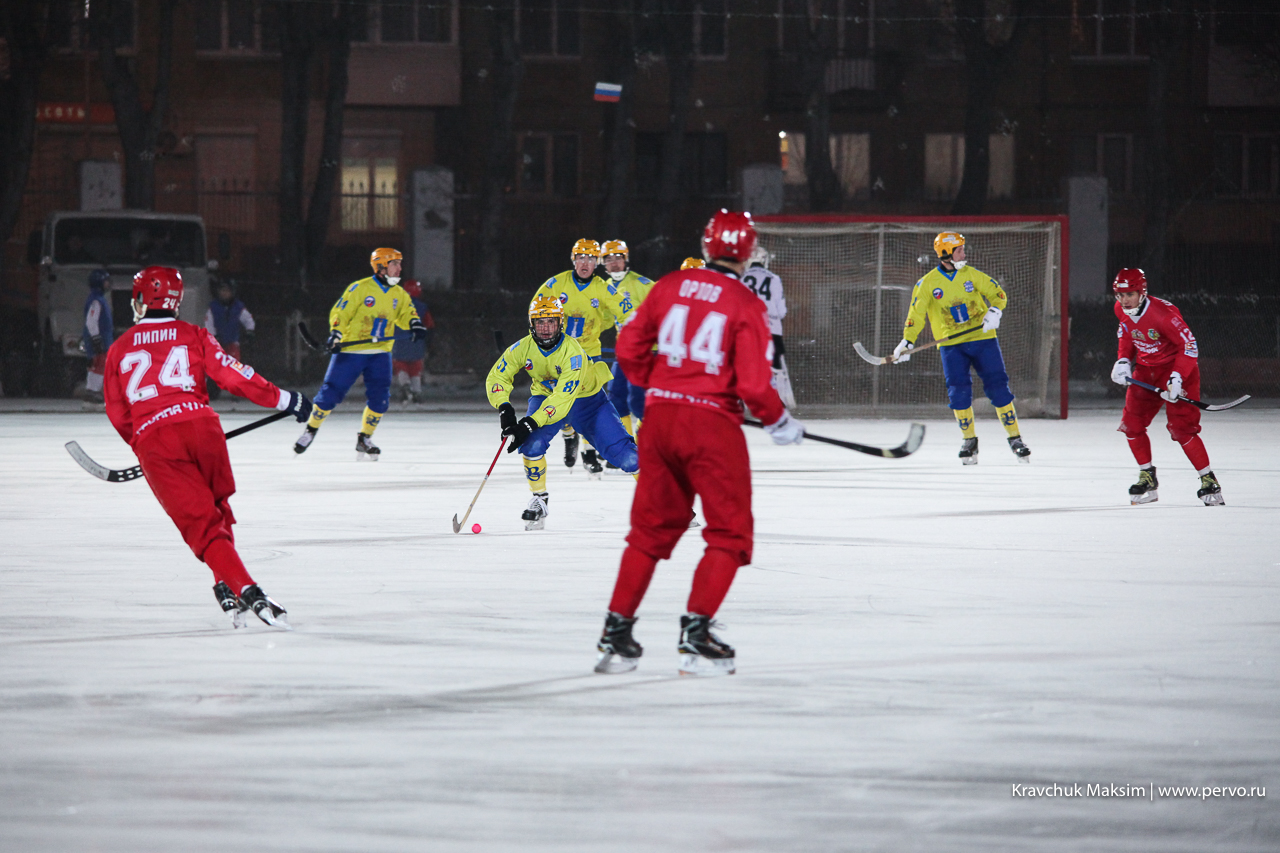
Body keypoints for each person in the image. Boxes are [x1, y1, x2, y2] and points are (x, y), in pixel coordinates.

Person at [593, 209, 805, 677]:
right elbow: (753, 386)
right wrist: (779, 421)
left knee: (649, 533)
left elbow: (627, 349)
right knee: (729, 533)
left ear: (707, 247)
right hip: (711, 427)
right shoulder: (746, 303)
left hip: (660, 421)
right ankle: (696, 634)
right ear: (748, 253)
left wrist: (663, 386)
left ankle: (616, 633)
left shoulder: (667, 287)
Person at [102, 266, 312, 628]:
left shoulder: (119, 348)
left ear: (139, 300)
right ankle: (224, 583)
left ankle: (249, 592)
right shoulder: (194, 334)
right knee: (218, 508)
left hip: (156, 437)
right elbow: (233, 375)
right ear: (176, 301)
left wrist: (144, 449)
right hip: (203, 427)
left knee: (204, 528)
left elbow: (118, 413)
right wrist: (285, 399)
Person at [486, 294, 639, 530]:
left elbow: (562, 399)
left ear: (561, 324)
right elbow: (498, 375)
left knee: (628, 458)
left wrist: (528, 423)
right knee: (531, 445)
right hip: (545, 398)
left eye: (551, 322)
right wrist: (504, 408)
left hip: (587, 403)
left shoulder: (573, 352)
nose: (545, 329)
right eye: (540, 322)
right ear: (531, 324)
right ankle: (539, 499)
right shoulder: (522, 347)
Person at [892, 231, 1030, 465]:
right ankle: (969, 441)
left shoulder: (971, 274)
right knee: (959, 392)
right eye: (959, 250)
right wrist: (907, 340)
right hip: (952, 346)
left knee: (998, 387)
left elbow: (998, 294)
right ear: (945, 253)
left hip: (983, 340)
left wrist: (995, 311)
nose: (964, 254)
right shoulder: (927, 284)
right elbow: (916, 314)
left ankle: (1015, 438)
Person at [294, 248, 426, 460]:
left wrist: (415, 324)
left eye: (400, 264)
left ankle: (364, 438)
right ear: (381, 267)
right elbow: (341, 312)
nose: (399, 268)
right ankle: (311, 430)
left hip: (380, 353)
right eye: (395, 264)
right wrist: (336, 334)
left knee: (380, 399)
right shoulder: (360, 288)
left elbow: (406, 313)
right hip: (352, 350)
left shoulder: (399, 294)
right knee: (330, 393)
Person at [1109, 268, 1223, 506]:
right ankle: (1147, 476)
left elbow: (1189, 347)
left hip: (1176, 371)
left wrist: (1177, 377)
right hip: (1145, 372)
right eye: (1119, 294)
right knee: (1131, 424)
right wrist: (1122, 359)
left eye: (1129, 293)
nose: (1124, 300)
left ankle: (1208, 480)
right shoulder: (1120, 309)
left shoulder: (1164, 315)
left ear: (1142, 291)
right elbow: (1127, 335)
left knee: (1182, 429)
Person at [532, 239, 635, 476]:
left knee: (590, 403)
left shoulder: (602, 287)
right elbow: (535, 309)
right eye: (581, 258)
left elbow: (625, 309)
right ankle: (569, 434)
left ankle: (589, 452)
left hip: (589, 355)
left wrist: (619, 322)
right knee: (560, 401)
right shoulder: (556, 284)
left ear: (597, 263)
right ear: (573, 260)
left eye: (590, 259)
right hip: (559, 354)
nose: (585, 263)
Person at [600, 239, 654, 438]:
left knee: (640, 400)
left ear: (626, 259)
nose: (614, 262)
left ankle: (650, 444)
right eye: (609, 258)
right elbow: (603, 320)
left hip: (645, 352)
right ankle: (627, 447)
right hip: (624, 352)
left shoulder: (643, 284)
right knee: (615, 398)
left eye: (618, 258)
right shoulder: (604, 287)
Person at [741, 244, 796, 407]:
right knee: (776, 366)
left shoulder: (741, 278)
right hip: (771, 328)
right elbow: (781, 311)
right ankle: (780, 400)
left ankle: (741, 402)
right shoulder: (774, 278)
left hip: (747, 328)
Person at [204, 280, 256, 400]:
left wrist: (249, 331)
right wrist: (214, 337)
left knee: (234, 367)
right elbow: (209, 322)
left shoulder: (238, 307)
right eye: (222, 291)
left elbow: (248, 319)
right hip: (216, 344)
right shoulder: (213, 307)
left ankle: (236, 391)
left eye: (227, 291)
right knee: (213, 367)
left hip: (232, 342)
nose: (224, 294)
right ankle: (212, 391)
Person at [391, 279, 435, 402]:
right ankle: (417, 392)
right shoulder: (422, 307)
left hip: (399, 342)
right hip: (417, 342)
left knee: (400, 366)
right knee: (416, 368)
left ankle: (405, 385)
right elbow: (429, 325)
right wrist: (430, 344)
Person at [81, 269, 113, 403]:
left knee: (96, 365)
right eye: (106, 281)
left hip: (101, 338)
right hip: (99, 339)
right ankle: (93, 393)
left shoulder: (98, 299)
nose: (108, 284)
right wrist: (96, 339)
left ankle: (92, 391)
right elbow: (91, 321)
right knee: (100, 364)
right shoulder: (96, 301)